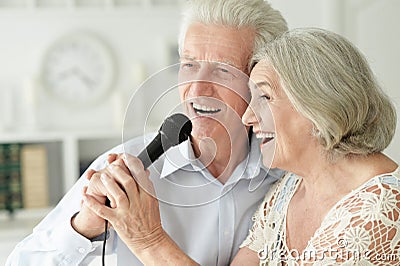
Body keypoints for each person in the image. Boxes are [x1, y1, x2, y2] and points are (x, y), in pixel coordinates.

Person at [6, 0, 287, 265]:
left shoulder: (289, 178)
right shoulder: (123, 169)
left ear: (262, 82)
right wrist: (83, 228)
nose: (198, 89)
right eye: (189, 65)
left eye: (223, 71)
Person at [230, 28, 399, 265]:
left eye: (265, 98)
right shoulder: (291, 187)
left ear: (320, 103)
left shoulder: (379, 208)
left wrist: (156, 239)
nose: (247, 118)